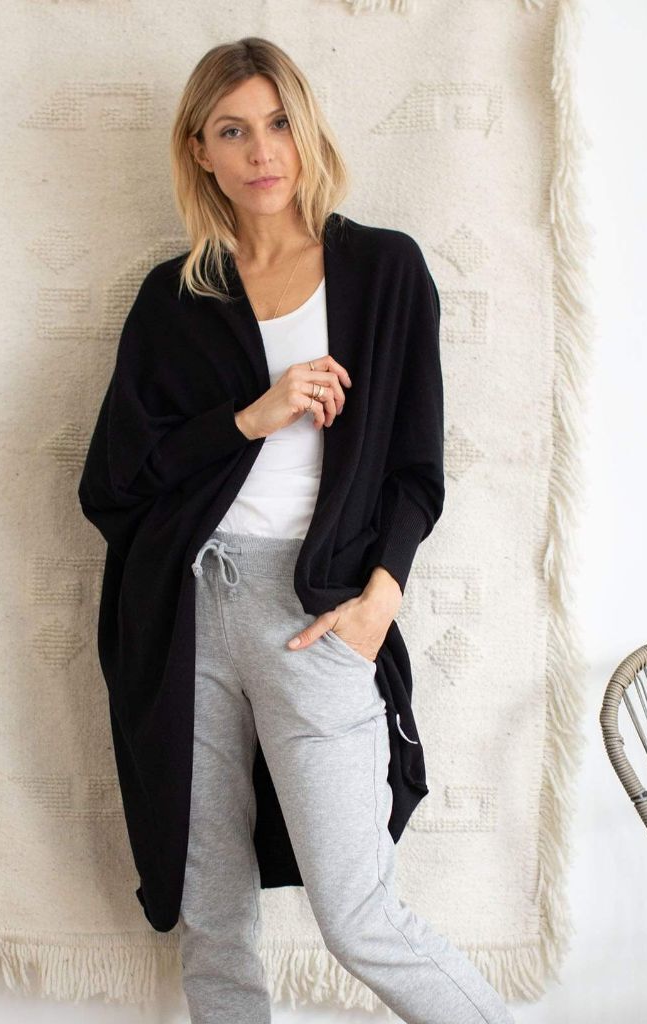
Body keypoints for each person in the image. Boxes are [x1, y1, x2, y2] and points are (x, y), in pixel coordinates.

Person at [79, 36, 515, 1024]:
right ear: (199, 151)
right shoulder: (175, 298)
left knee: (359, 917)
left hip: (315, 614)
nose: (261, 150)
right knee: (213, 919)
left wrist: (378, 604)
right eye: (232, 131)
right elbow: (113, 482)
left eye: (277, 122)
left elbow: (416, 471)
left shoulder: (384, 271)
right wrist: (250, 417)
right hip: (188, 612)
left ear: (306, 127)